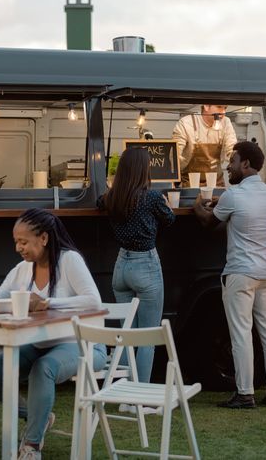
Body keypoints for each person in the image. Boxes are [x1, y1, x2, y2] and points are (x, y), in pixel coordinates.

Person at [0, 208, 105, 460]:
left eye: (23, 242)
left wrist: (48, 303)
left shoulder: (69, 260)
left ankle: (31, 445)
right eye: (16, 242)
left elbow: (94, 301)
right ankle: (37, 416)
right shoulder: (23, 269)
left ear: (43, 238)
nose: (18, 248)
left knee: (42, 368)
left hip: (83, 344)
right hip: (40, 343)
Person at [193, 141, 266, 409]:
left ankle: (245, 394)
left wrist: (199, 202)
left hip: (241, 271)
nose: (228, 166)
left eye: (232, 161)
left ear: (245, 164)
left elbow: (209, 222)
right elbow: (246, 209)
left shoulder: (233, 195)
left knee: (241, 333)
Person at [98, 147, 175, 388]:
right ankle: (138, 397)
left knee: (127, 335)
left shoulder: (111, 197)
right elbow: (170, 219)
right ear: (145, 170)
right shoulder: (152, 197)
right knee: (147, 337)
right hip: (146, 265)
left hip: (121, 267)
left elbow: (100, 202)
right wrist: (166, 201)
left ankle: (122, 390)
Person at [172, 104, 237, 187]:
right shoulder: (186, 123)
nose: (223, 112)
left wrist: (236, 158)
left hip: (216, 183)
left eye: (225, 108)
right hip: (190, 183)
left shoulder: (225, 122)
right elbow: (174, 155)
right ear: (206, 106)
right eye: (219, 107)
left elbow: (232, 147)